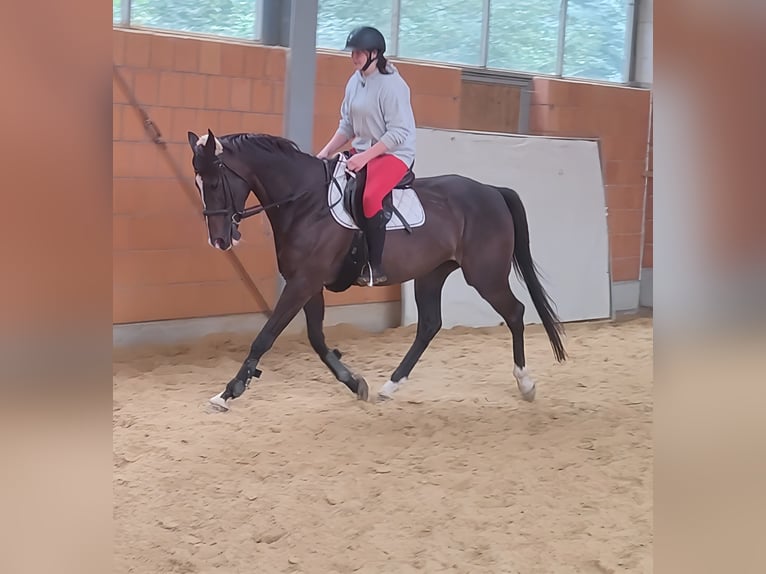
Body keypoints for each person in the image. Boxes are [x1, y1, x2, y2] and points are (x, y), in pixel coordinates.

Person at [317, 25, 417, 286]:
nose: (354, 57)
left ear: (375, 53)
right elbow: (347, 125)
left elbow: (398, 133)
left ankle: (375, 266)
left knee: (371, 196)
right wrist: (326, 151)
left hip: (394, 153)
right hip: (363, 150)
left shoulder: (392, 86)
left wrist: (364, 158)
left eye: (359, 53)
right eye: (353, 52)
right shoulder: (355, 81)